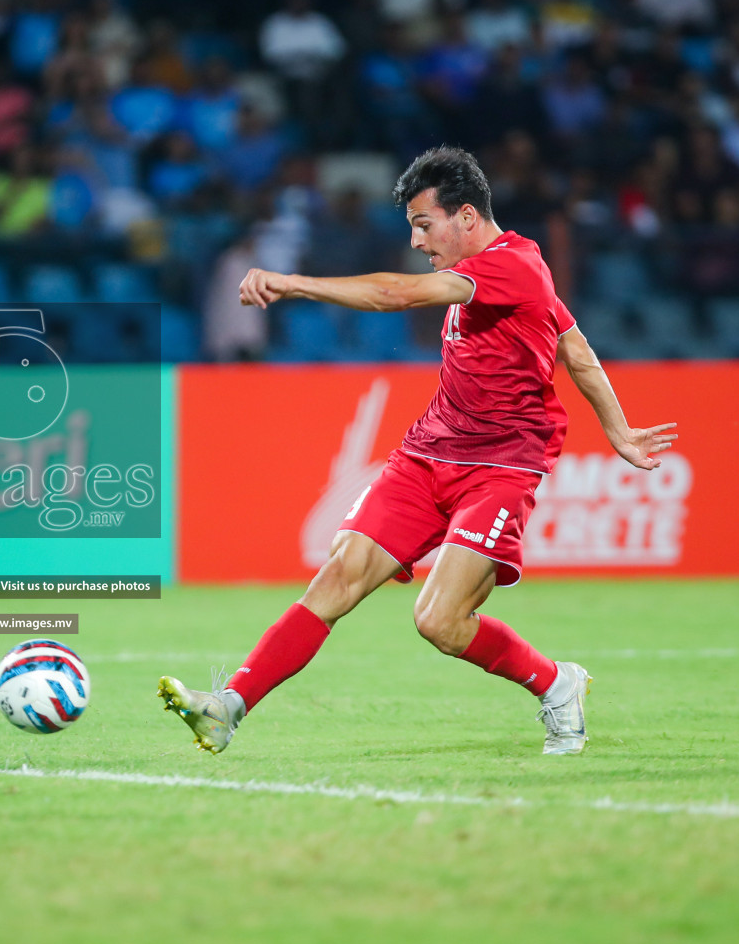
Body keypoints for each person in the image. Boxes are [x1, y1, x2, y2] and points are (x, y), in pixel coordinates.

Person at [159, 146, 677, 757]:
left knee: (439, 620)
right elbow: (574, 343)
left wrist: (294, 282)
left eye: (423, 225)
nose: (416, 241)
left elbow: (394, 296)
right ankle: (227, 708)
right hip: (428, 452)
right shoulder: (512, 271)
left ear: (465, 216)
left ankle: (556, 683)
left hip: (501, 468)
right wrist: (617, 428)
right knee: (337, 577)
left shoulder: (513, 266)